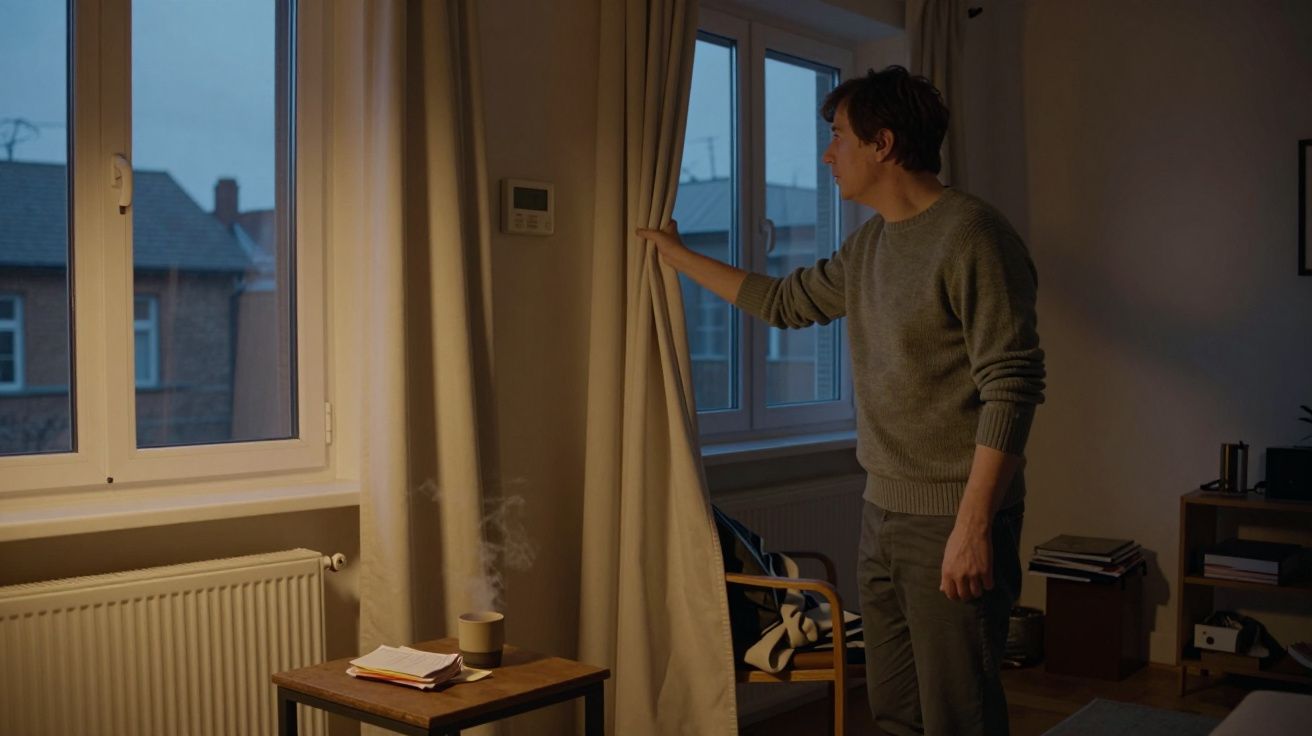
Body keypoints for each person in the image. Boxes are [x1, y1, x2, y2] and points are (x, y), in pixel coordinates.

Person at [637, 65, 1045, 735]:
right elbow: (783, 303)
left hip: (952, 518)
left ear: (882, 144)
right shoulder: (871, 244)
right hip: (881, 512)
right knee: (893, 713)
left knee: (958, 715)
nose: (829, 154)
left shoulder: (973, 235)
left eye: (838, 137)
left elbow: (1013, 384)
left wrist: (972, 529)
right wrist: (676, 257)